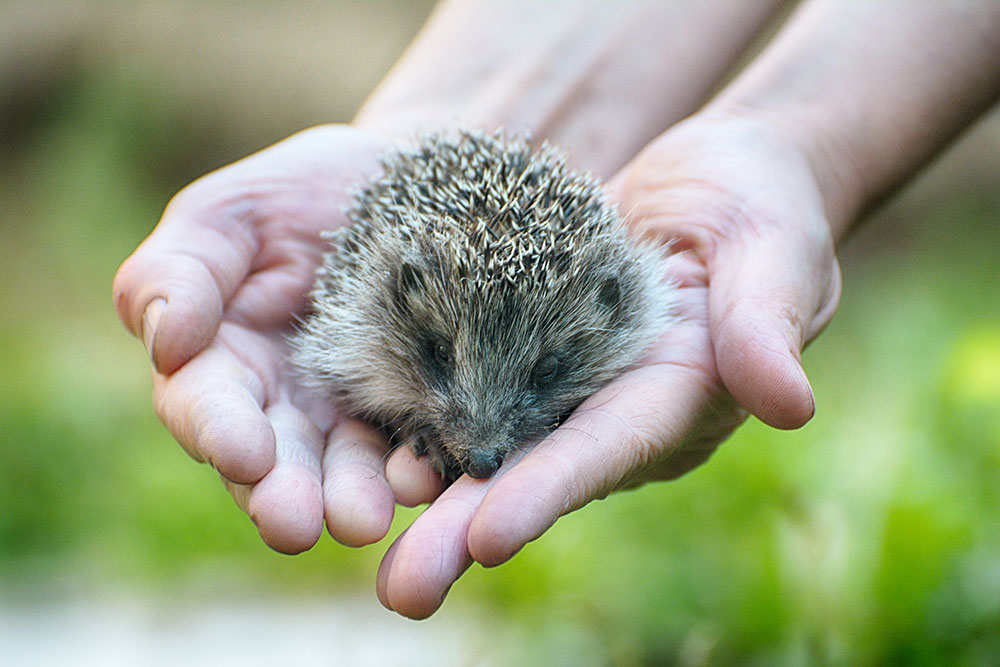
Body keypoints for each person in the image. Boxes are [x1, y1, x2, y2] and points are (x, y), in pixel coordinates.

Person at [113, 0, 1000, 619]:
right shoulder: (381, 306)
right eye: (442, 369)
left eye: (542, 375)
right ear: (402, 314)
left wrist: (808, 139)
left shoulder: (611, 294)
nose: (485, 442)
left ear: (608, 312)